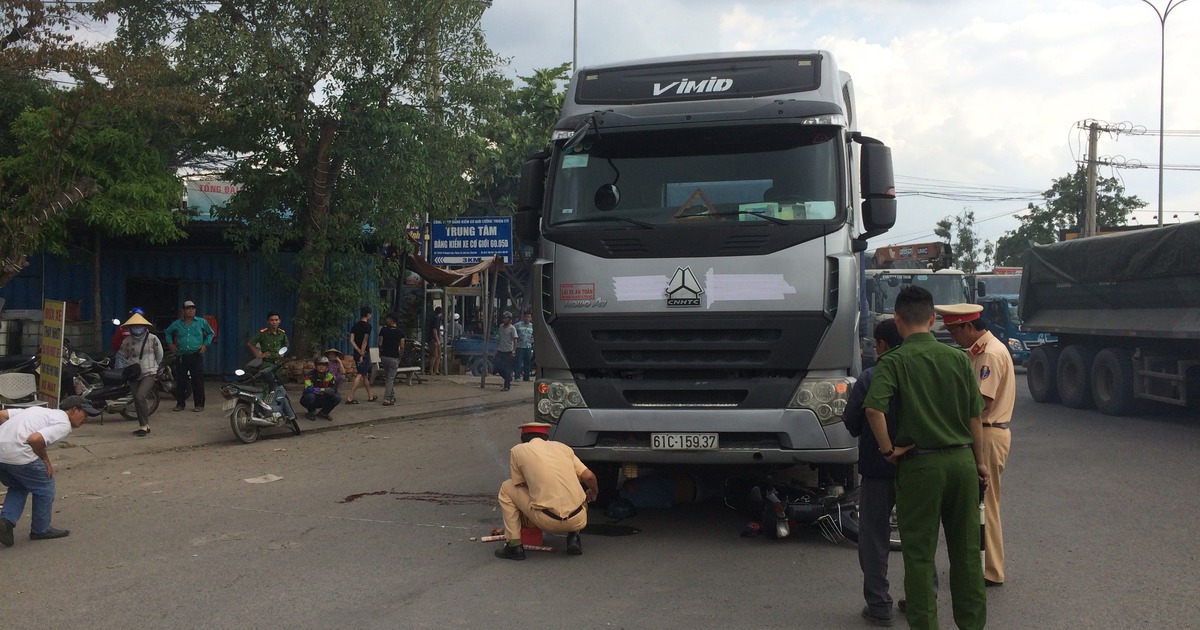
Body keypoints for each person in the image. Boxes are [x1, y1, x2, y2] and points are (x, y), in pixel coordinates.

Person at [864, 285, 988, 630]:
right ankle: (972, 624)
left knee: (919, 555)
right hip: (963, 462)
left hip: (921, 465)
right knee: (965, 553)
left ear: (897, 320)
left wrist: (888, 451)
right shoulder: (959, 359)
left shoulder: (894, 361)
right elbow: (974, 417)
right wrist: (980, 463)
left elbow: (874, 409)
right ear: (933, 320)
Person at [938, 302, 1016, 588]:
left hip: (987, 432)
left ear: (969, 327)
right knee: (979, 502)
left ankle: (991, 570)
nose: (953, 338)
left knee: (986, 502)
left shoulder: (989, 356)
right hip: (985, 432)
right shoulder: (981, 352)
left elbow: (982, 404)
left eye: (954, 332)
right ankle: (983, 564)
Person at [844, 318, 903, 627]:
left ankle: (879, 604)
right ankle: (923, 595)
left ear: (881, 345)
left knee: (874, 537)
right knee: (919, 535)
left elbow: (851, 420)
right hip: (915, 468)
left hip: (878, 469)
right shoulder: (917, 372)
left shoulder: (869, 377)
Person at [0, 396, 101, 546]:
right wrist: (46, 460)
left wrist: (9, 440)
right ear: (73, 410)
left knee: (19, 485)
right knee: (45, 485)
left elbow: (2, 414)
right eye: (84, 414)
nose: (85, 419)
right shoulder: (63, 424)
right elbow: (35, 439)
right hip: (20, 454)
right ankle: (41, 530)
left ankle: (6, 522)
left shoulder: (38, 410)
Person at [494, 422, 599, 560]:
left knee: (506, 488)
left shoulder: (518, 450)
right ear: (546, 437)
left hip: (547, 520)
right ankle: (573, 537)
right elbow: (588, 476)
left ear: (522, 439)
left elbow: (521, 485)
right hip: (578, 518)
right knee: (572, 484)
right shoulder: (564, 448)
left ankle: (514, 546)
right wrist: (594, 492)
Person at [118, 312, 165, 437]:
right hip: (133, 374)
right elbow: (123, 356)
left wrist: (155, 367)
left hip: (149, 372)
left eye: (139, 325)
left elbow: (159, 355)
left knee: (140, 396)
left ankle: (144, 425)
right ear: (130, 327)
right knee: (137, 400)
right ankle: (144, 425)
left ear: (145, 326)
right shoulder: (126, 341)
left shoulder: (153, 339)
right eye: (134, 325)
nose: (137, 328)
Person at [165, 300, 214, 413]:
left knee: (198, 381)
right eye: (188, 308)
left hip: (196, 355)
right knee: (181, 381)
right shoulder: (177, 323)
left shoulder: (201, 322)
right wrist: (171, 344)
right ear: (183, 311)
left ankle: (199, 404)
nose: (190, 310)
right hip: (181, 355)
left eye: (192, 308)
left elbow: (211, 333)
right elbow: (167, 332)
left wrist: (205, 344)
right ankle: (180, 404)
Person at [345, 306, 376, 404]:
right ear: (368, 315)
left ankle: (370, 395)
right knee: (360, 374)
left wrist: (357, 350)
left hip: (356, 352)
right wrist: (361, 353)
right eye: (370, 314)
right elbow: (365, 341)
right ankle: (350, 397)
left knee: (364, 375)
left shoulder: (355, 326)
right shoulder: (368, 326)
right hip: (364, 354)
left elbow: (351, 340)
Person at [300, 356, 341, 420]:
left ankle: (324, 413)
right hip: (310, 399)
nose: (321, 367)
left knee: (337, 397)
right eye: (319, 365)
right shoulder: (309, 375)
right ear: (316, 366)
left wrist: (330, 391)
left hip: (323, 398)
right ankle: (311, 412)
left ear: (327, 367)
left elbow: (333, 389)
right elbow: (308, 389)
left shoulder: (330, 376)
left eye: (324, 365)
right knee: (311, 396)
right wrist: (323, 390)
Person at [378, 313, 404, 406]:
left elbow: (380, 343)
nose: (386, 320)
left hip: (384, 357)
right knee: (390, 378)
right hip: (394, 358)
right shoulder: (400, 332)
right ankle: (387, 398)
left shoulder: (383, 330)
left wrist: (380, 353)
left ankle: (391, 396)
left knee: (388, 377)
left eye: (388, 319)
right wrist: (399, 357)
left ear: (392, 320)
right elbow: (402, 346)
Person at [494, 311, 519, 391]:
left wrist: (514, 351)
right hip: (500, 350)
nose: (504, 319)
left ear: (509, 319)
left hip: (508, 351)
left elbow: (515, 340)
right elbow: (498, 337)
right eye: (504, 318)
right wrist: (496, 347)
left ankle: (506, 386)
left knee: (507, 369)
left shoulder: (512, 328)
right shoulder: (501, 327)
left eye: (506, 318)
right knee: (497, 367)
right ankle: (508, 378)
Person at [514, 312, 535, 382]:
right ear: (523, 317)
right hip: (520, 346)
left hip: (528, 346)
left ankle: (526, 377)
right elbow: (513, 334)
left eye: (529, 317)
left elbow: (533, 335)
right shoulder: (517, 325)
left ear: (531, 318)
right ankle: (517, 377)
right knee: (518, 362)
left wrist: (532, 340)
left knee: (527, 362)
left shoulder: (532, 326)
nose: (527, 318)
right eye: (526, 317)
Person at [427, 307, 444, 376]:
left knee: (439, 355)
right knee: (434, 355)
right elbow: (434, 330)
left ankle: (436, 370)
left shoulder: (436, 319)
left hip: (436, 338)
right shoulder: (436, 319)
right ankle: (431, 370)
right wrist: (437, 340)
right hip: (434, 339)